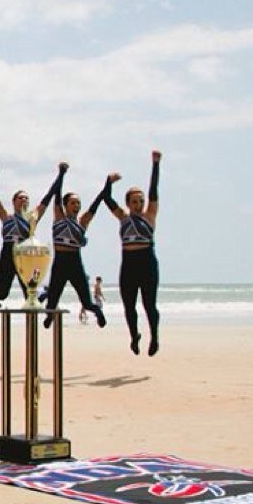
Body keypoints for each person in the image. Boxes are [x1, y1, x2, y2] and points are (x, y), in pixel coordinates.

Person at [103, 151, 162, 356]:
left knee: (149, 305)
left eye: (141, 201)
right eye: (134, 201)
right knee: (129, 306)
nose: (139, 204)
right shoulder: (122, 217)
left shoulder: (150, 215)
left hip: (147, 262)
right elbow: (106, 198)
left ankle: (154, 336)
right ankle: (134, 335)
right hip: (128, 264)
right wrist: (108, 182)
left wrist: (155, 164)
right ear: (128, 203)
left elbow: (154, 190)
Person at [42, 168, 109, 329]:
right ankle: (49, 315)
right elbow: (57, 195)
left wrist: (108, 184)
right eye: (73, 202)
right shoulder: (59, 217)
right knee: (52, 300)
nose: (76, 205)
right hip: (59, 262)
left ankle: (98, 312)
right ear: (65, 206)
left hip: (75, 263)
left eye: (78, 203)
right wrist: (61, 173)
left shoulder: (82, 222)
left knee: (86, 302)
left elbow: (96, 204)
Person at [0, 162, 64, 301]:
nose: (24, 200)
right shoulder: (6, 217)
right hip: (7, 253)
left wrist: (61, 174)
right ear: (14, 201)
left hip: (25, 255)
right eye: (20, 198)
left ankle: (43, 292)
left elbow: (48, 197)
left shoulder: (32, 218)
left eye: (26, 198)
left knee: (30, 296)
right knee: (1, 294)